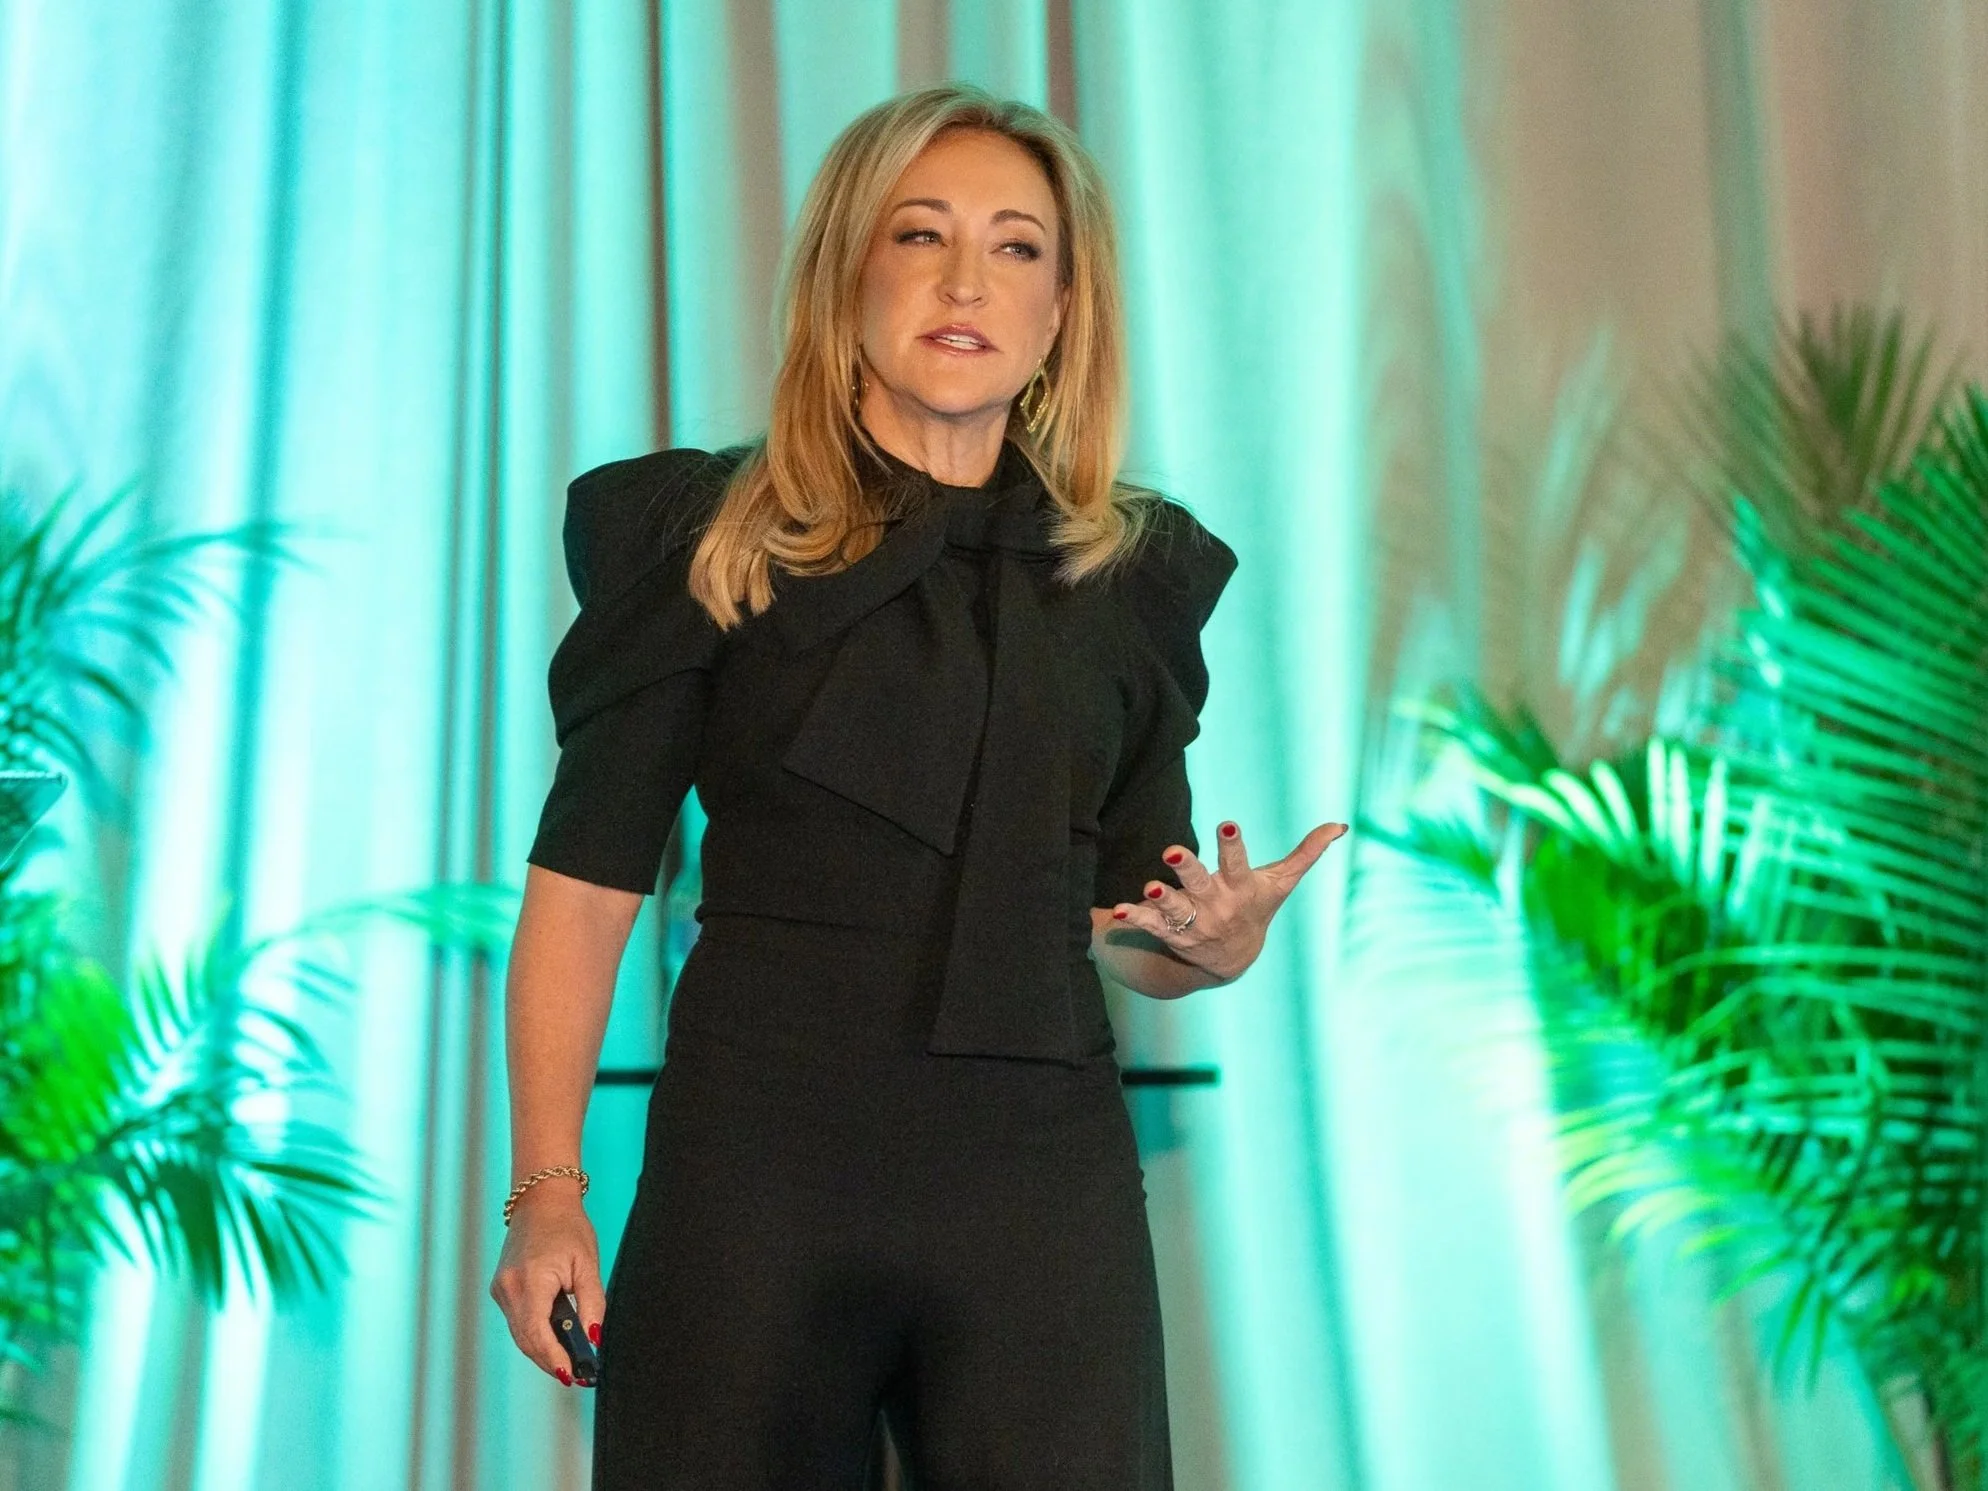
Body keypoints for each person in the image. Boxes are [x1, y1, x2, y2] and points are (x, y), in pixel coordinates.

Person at [489, 81, 1343, 1489]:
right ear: (846, 276)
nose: (967, 280)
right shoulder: (706, 542)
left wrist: (1214, 943)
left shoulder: (1126, 579)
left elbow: (1130, 924)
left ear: (1065, 308)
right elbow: (583, 892)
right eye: (920, 234)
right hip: (755, 1177)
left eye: (1017, 247)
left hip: (1040, 1193)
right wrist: (546, 1191)